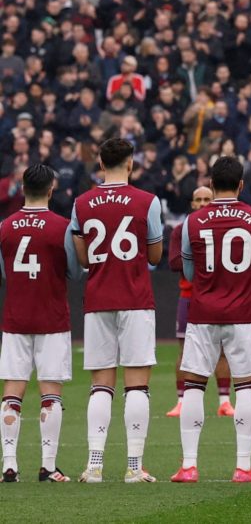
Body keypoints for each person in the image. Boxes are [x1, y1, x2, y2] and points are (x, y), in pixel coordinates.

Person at [71, 137, 163, 483]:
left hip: (97, 299)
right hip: (135, 298)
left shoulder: (81, 203)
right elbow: (155, 255)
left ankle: (94, 465)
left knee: (100, 385)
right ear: (131, 163)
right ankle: (134, 467)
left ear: (100, 164)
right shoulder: (147, 201)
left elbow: (82, 258)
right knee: (136, 385)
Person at [171, 157, 251, 484]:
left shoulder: (193, 221)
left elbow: (188, 272)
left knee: (194, 385)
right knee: (246, 386)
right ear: (241, 185)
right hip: (243, 312)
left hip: (203, 311)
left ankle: (189, 466)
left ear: (211, 185)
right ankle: (243, 467)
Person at [0, 164, 83, 483]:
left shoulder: (5, 226)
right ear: (51, 189)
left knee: (12, 390)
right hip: (52, 316)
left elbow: (5, 272)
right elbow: (74, 271)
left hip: (16, 317)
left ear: (23, 188)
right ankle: (48, 466)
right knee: (50, 393)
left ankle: (9, 464)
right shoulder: (62, 227)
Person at [166, 186, 235, 419]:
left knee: (222, 349)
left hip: (217, 294)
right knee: (185, 349)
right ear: (192, 203)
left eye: (208, 199)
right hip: (190, 296)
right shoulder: (181, 230)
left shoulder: (223, 228)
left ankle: (224, 401)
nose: (203, 203)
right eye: (199, 200)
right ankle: (181, 402)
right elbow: (174, 262)